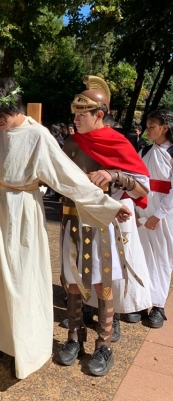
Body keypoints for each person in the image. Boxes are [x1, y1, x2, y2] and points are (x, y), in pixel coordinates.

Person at [0, 78, 132, 380]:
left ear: (14, 107)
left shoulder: (38, 136)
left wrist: (106, 205)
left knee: (23, 280)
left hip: (24, 215)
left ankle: (27, 345)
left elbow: (68, 176)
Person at [58, 76, 151, 376]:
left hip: (101, 222)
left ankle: (104, 345)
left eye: (81, 115)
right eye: (74, 114)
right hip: (71, 220)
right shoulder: (71, 144)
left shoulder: (118, 142)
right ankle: (74, 338)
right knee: (72, 281)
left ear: (99, 114)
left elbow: (143, 190)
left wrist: (115, 176)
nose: (75, 120)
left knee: (102, 283)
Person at [134, 109, 173, 328]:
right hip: (144, 208)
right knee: (143, 255)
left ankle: (158, 305)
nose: (147, 130)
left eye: (152, 126)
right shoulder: (145, 150)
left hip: (165, 214)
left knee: (162, 257)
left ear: (165, 128)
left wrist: (158, 216)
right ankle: (142, 300)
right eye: (147, 126)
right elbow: (137, 180)